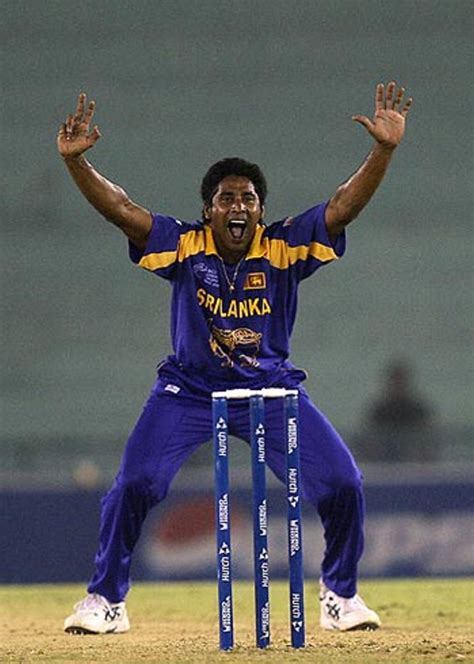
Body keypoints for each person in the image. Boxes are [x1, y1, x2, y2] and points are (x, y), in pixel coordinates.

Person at [58, 82, 412, 635]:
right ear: (209, 210)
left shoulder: (284, 244)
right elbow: (123, 211)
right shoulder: (185, 243)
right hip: (190, 390)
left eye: (248, 198)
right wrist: (79, 165)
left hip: (270, 389)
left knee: (344, 483)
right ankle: (105, 600)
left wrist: (383, 150)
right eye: (227, 198)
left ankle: (340, 595)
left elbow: (343, 206)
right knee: (133, 485)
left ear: (262, 210)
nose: (239, 205)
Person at [359, 359, 438, 462]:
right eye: (395, 381)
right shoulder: (380, 411)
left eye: (401, 380)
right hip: (385, 464)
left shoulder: (418, 410)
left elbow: (427, 437)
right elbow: (369, 437)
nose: (398, 384)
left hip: (414, 464)